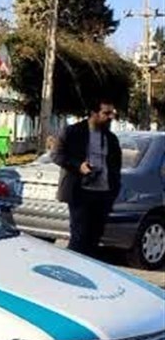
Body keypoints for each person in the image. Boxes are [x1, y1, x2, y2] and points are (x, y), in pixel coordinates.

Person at [51, 98, 121, 258]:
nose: (110, 117)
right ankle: (72, 268)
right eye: (106, 113)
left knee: (94, 240)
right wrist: (79, 166)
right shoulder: (73, 132)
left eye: (112, 113)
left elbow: (116, 167)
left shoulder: (111, 138)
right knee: (79, 239)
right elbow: (56, 155)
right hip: (80, 193)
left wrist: (113, 192)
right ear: (94, 113)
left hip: (103, 195)